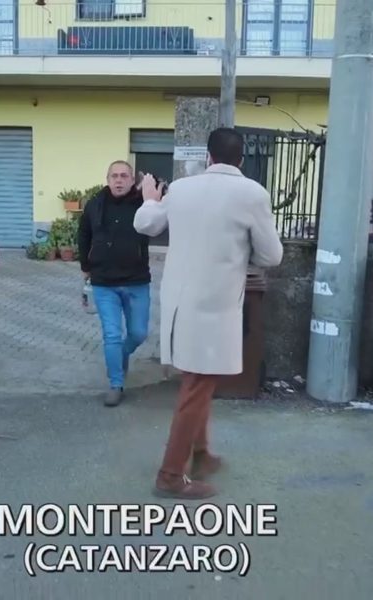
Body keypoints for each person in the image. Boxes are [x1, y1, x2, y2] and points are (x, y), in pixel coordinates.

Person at [134, 128, 284, 499]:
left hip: (178, 303)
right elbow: (272, 256)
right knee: (198, 385)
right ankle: (170, 475)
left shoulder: (182, 188)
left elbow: (146, 224)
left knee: (199, 380)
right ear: (241, 159)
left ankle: (200, 455)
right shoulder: (252, 193)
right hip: (215, 306)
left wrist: (150, 199)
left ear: (208, 157)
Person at [78, 160, 152, 407]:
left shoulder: (144, 203)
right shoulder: (95, 204)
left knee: (138, 333)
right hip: (104, 282)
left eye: (124, 176)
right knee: (111, 334)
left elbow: (163, 202)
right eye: (114, 176)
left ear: (132, 180)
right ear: (107, 179)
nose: (119, 180)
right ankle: (116, 384)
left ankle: (121, 354)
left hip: (137, 280)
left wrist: (151, 186)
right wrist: (85, 267)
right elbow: (84, 235)